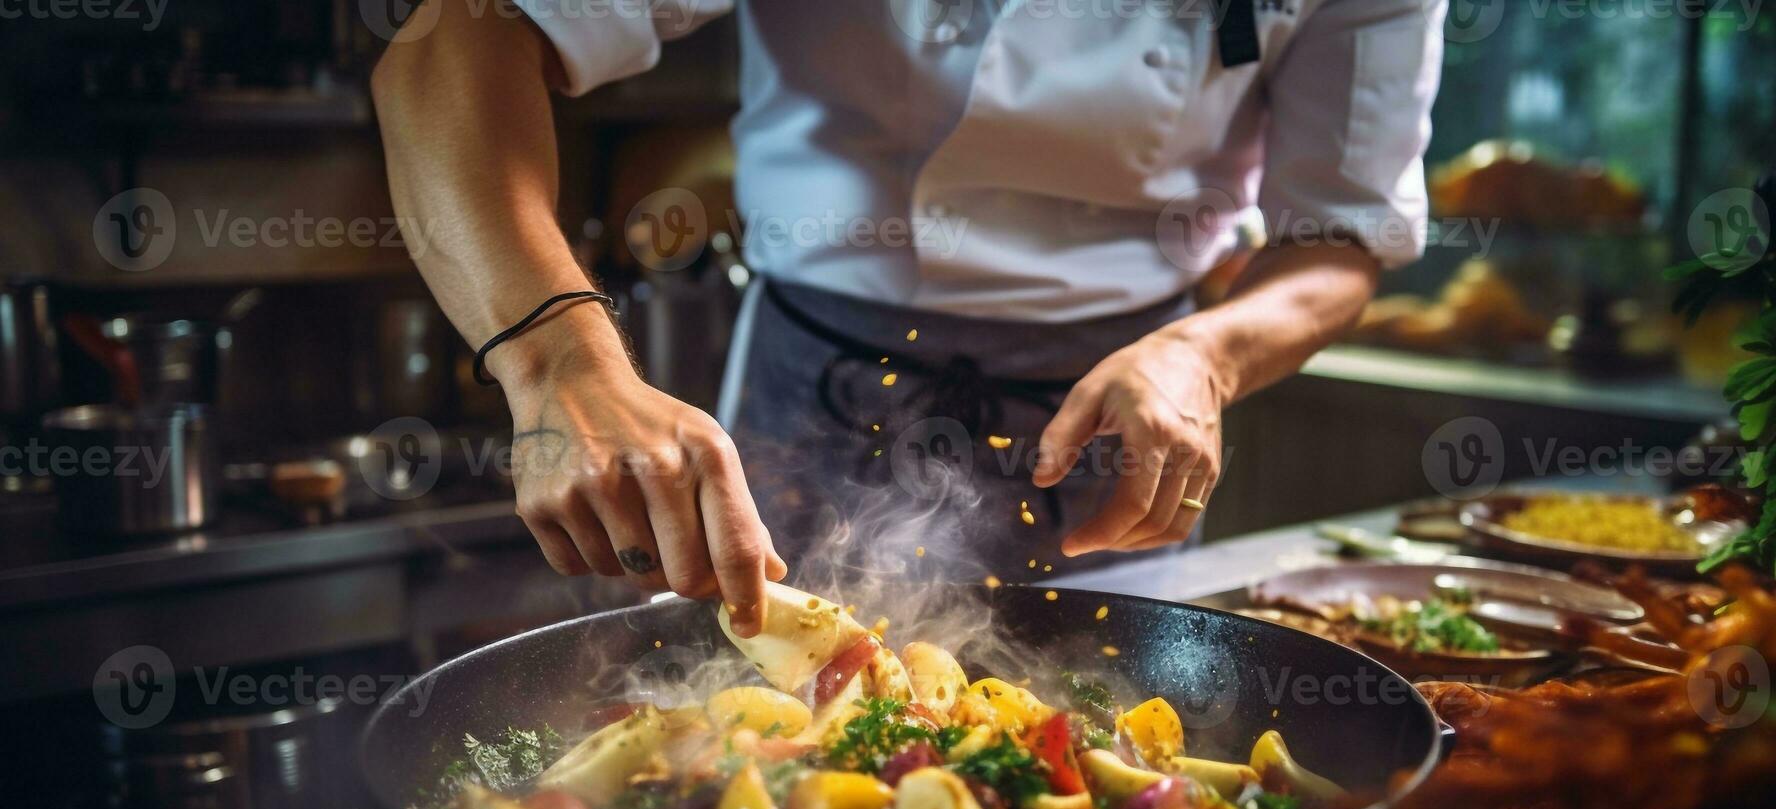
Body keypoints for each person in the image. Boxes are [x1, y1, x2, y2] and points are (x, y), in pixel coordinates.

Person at [371, 0, 1445, 637]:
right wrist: (561, 362)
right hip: (812, 394)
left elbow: (1340, 236)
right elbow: (451, 42)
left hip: (1125, 422)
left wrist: (1207, 354)